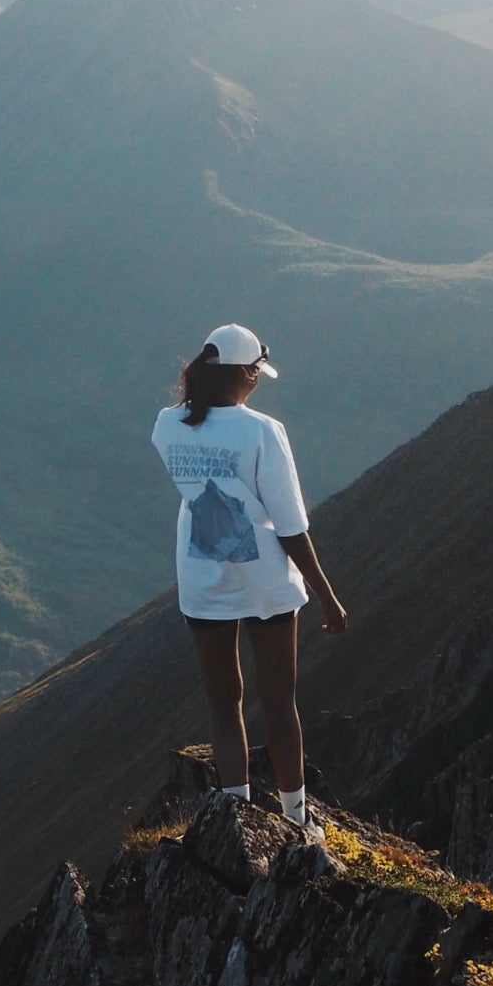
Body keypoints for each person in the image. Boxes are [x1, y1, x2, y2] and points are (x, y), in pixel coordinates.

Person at [150, 323, 346, 831]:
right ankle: (296, 818)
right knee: (279, 699)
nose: (259, 379)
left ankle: (234, 812)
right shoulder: (262, 431)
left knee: (222, 700)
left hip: (200, 572)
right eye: (257, 370)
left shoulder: (168, 425)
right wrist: (326, 596)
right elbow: (290, 524)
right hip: (263, 578)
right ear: (240, 371)